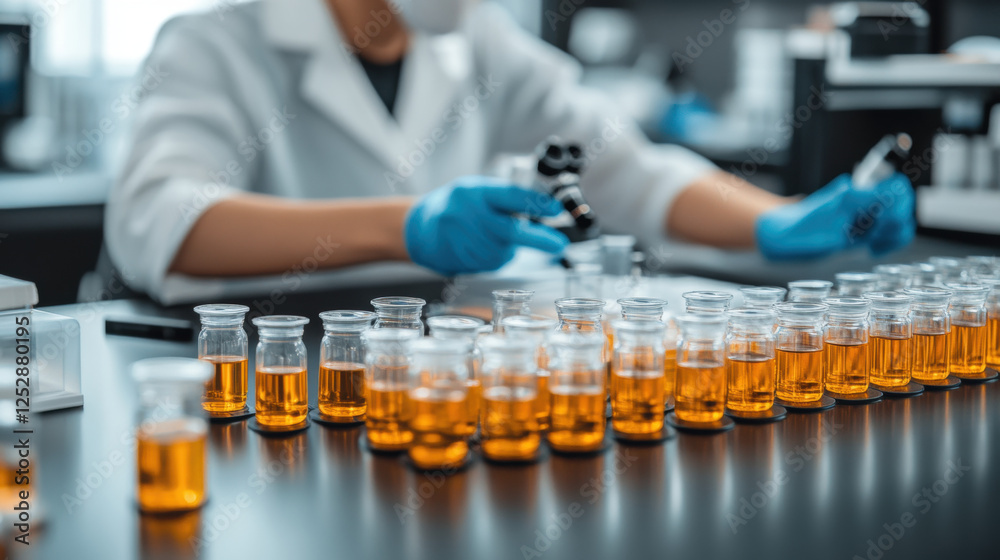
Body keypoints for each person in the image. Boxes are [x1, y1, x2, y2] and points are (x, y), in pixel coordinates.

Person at [105, 0, 915, 298]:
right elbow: (159, 221)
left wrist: (778, 222)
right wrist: (410, 225)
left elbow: (624, 169)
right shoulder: (216, 45)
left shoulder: (479, 45)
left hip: (428, 367)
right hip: (248, 372)